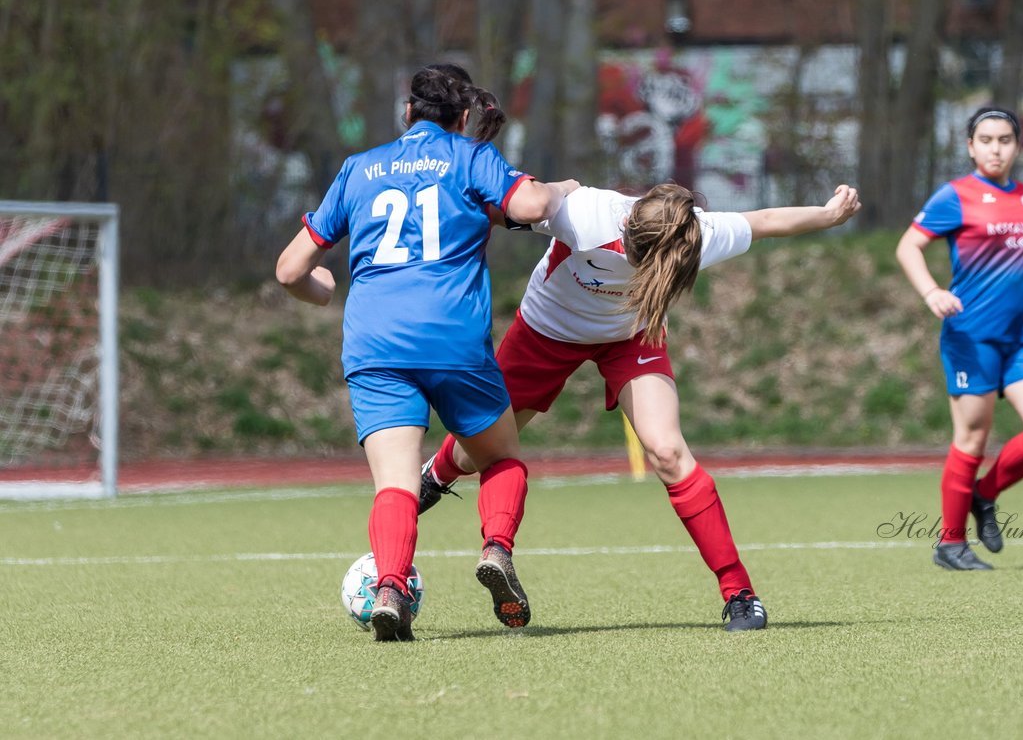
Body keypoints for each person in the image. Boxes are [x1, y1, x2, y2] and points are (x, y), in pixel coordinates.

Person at [418, 181, 862, 631]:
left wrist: (828, 215)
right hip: (544, 332)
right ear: (627, 227)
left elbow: (764, 221)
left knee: (668, 452)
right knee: (479, 451)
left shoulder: (692, 234)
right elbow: (519, 201)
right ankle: (435, 477)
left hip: (630, 340)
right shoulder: (585, 215)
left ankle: (739, 592)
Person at [275, 65, 577, 641]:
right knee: (501, 458)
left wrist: (322, 292)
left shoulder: (358, 168)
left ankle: (391, 586)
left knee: (396, 484)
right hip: (452, 338)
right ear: (465, 117)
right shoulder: (470, 156)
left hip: (375, 343)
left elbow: (290, 270)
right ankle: (495, 550)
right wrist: (566, 189)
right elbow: (533, 206)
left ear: (407, 112)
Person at [895, 106, 1023, 571]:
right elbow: (908, 245)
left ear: (1018, 146)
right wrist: (932, 291)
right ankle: (950, 544)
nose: (996, 148)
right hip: (971, 336)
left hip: (1022, 338)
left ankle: (984, 494)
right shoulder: (955, 195)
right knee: (972, 438)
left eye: (1005, 140)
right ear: (971, 146)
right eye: (986, 140)